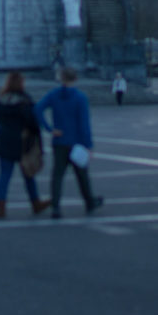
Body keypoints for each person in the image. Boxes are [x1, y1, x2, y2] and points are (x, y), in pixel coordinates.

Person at [36, 66, 103, 218]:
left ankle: (56, 207)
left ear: (61, 78)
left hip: (59, 141)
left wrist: (49, 128)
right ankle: (89, 202)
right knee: (82, 175)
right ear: (75, 79)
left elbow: (38, 109)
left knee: (57, 175)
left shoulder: (53, 95)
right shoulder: (80, 97)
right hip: (77, 143)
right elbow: (84, 124)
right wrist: (88, 145)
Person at [0, 71, 48, 219]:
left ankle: (0, 208)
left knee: (4, 176)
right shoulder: (24, 101)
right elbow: (32, 121)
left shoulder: (1, 100)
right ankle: (35, 203)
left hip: (4, 140)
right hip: (23, 142)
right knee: (28, 174)